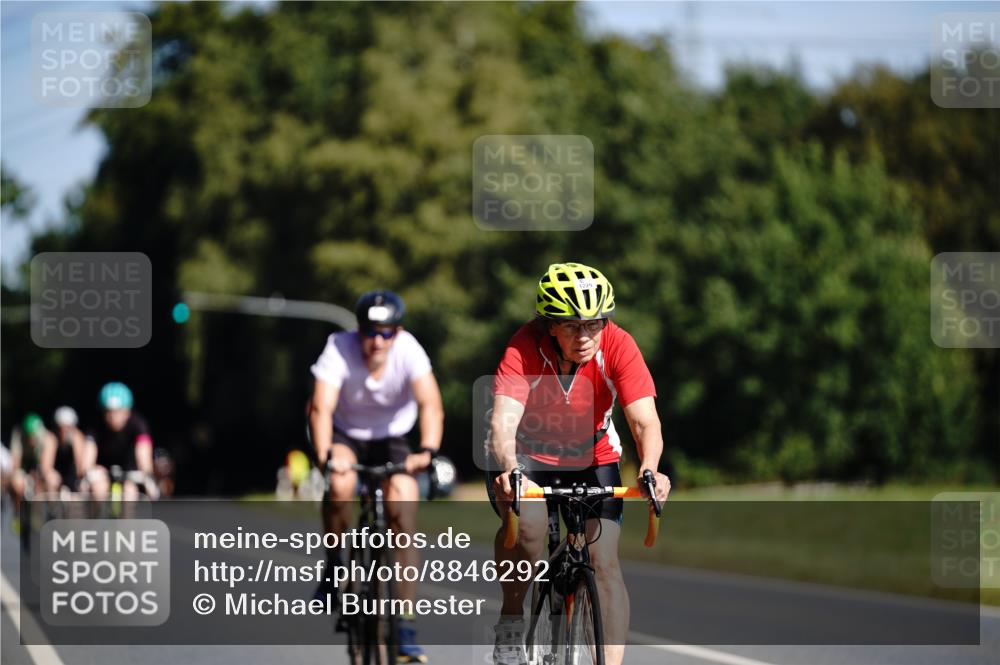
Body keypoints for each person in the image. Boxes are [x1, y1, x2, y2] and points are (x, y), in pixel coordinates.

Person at [486, 262, 671, 665]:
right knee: (529, 532)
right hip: (526, 454)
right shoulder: (523, 348)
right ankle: (512, 616)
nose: (585, 336)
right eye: (572, 326)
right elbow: (502, 421)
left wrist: (651, 468)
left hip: (593, 455)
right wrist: (508, 468)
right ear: (549, 324)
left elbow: (644, 421)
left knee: (603, 562)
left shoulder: (619, 345)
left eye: (594, 324)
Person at [309, 290, 444, 664]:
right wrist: (324, 457)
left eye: (387, 333)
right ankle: (336, 561)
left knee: (403, 506)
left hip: (392, 437)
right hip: (345, 434)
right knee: (340, 485)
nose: (378, 341)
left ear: (397, 332)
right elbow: (321, 407)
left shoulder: (409, 350)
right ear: (359, 330)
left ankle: (405, 624)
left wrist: (427, 451)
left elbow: (431, 404)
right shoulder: (338, 347)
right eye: (370, 332)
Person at [82, 382, 157, 501]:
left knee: (129, 492)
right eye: (108, 412)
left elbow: (144, 456)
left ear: (127, 411)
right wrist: (90, 470)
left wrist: (146, 475)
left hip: (130, 470)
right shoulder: (94, 426)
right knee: (98, 489)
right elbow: (86, 459)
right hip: (103, 470)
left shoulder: (139, 424)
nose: (113, 417)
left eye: (118, 412)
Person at [52, 406, 87, 495]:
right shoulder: (52, 439)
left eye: (68, 427)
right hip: (58, 479)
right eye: (61, 427)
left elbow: (80, 468)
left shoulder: (78, 438)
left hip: (73, 480)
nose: (64, 431)